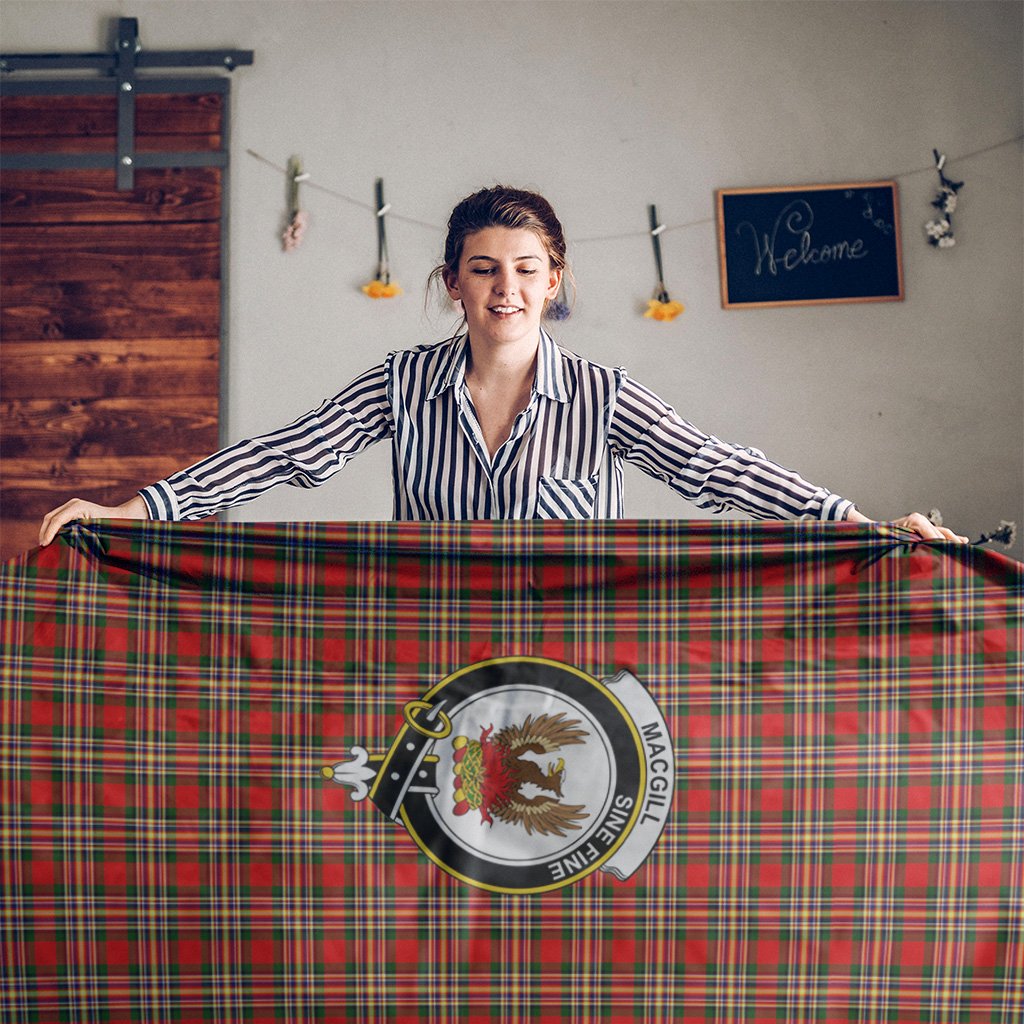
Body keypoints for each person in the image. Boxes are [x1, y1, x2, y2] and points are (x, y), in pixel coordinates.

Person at [39, 186, 967, 546]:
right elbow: (283, 456)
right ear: (453, 283)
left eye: (527, 271)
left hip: (582, 671)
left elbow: (718, 467)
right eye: (484, 270)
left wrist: (859, 523)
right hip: (432, 664)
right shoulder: (401, 382)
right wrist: (133, 512)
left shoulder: (604, 397)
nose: (506, 289)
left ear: (555, 281)